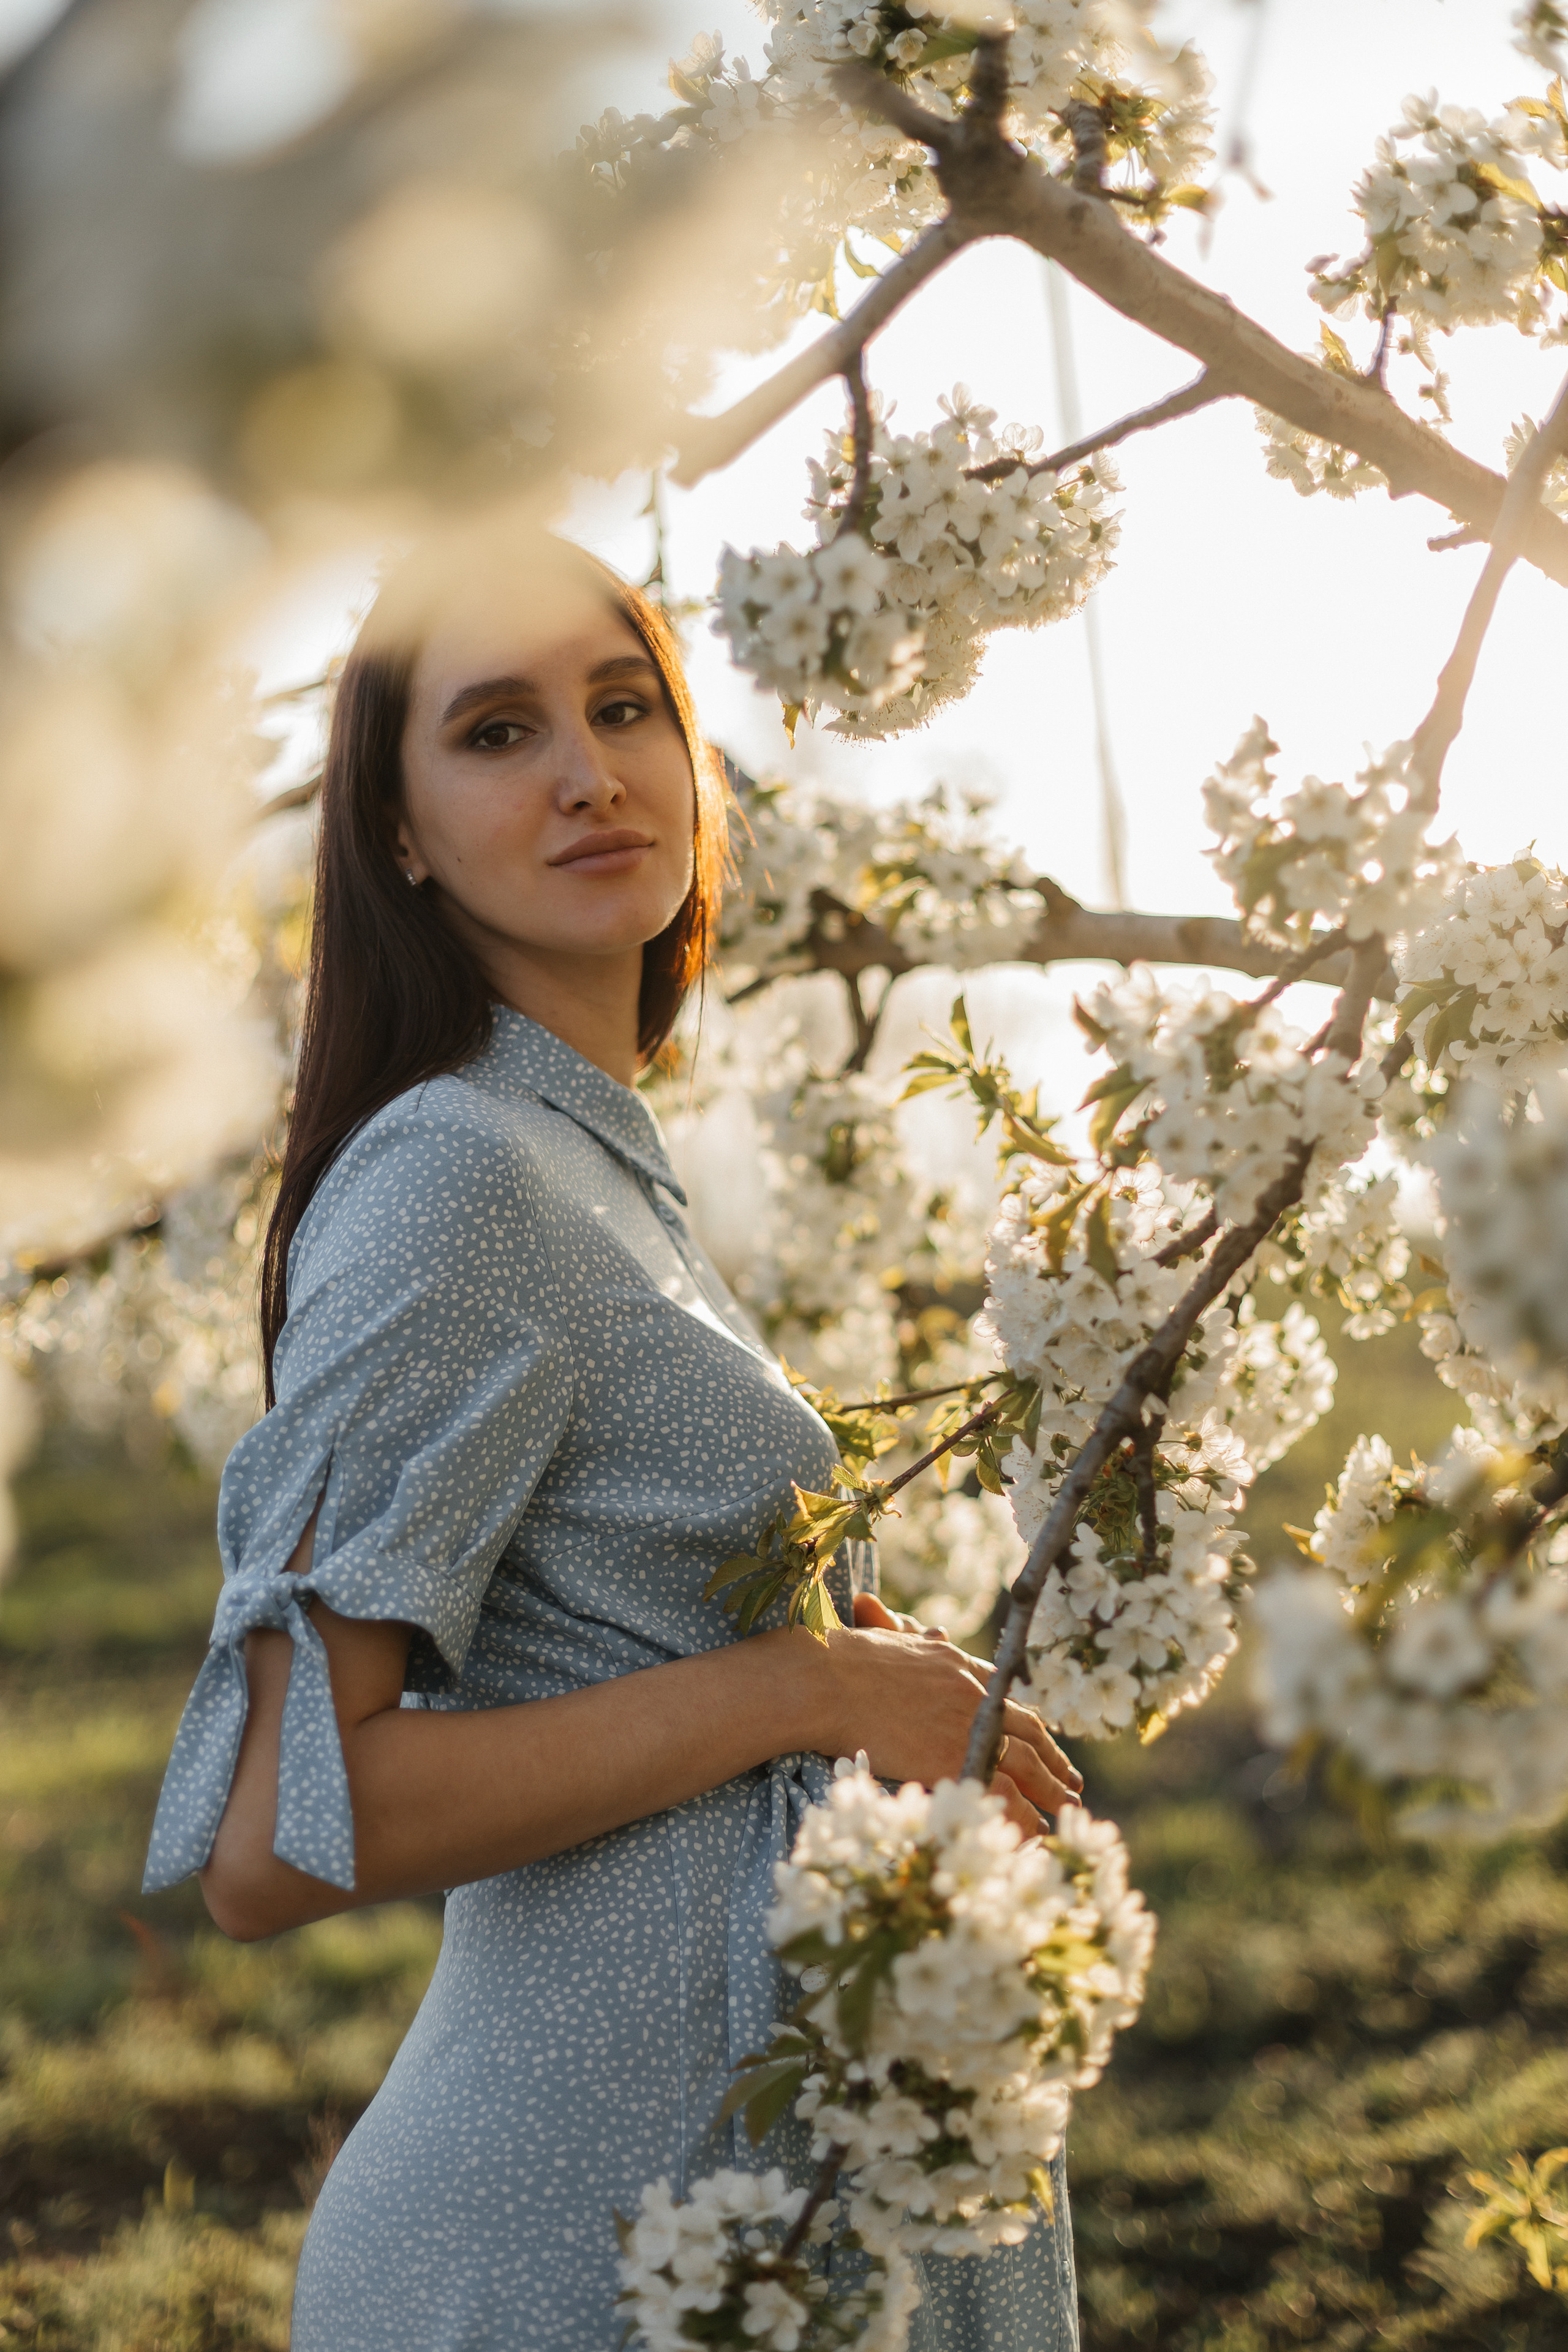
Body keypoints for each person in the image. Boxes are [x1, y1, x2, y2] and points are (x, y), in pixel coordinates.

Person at [143, 518, 1084, 2351]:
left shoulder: (578, 1156)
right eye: (499, 731)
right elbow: (279, 1839)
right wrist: (807, 1693)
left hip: (751, 2197)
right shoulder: (456, 1178)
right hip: (579, 2245)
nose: (589, 772)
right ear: (398, 832)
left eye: (626, 706)